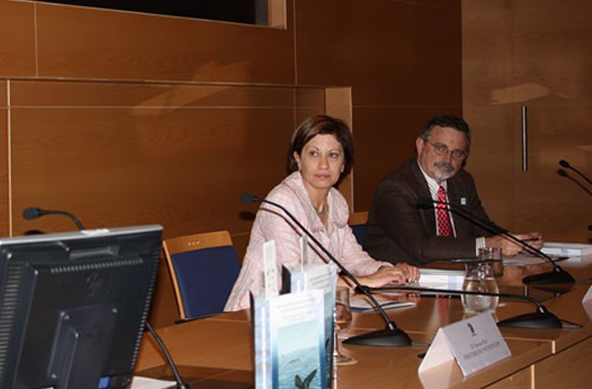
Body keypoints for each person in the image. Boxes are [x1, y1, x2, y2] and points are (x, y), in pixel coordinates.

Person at [224, 115, 419, 311]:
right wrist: (365, 281)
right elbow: (295, 278)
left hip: (307, 310)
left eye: (333, 155)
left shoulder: (335, 201)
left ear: (343, 164)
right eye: (314, 154)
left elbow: (353, 258)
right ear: (298, 159)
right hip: (255, 315)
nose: (324, 164)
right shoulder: (281, 203)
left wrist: (386, 271)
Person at [362, 114, 543, 265]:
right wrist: (489, 245)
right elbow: (422, 248)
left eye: (457, 153)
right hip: (406, 280)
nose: (448, 159)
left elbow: (483, 227)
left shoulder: (462, 181)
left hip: (455, 274)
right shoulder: (395, 188)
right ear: (420, 145)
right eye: (440, 148)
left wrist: (517, 242)